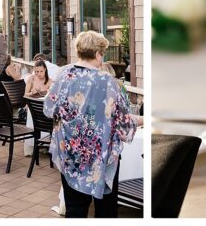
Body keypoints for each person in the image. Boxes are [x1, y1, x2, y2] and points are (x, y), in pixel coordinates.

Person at [44, 31, 141, 218]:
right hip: (100, 157)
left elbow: (49, 108)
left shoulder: (63, 74)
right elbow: (122, 122)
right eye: (102, 53)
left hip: (70, 152)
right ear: (97, 54)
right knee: (106, 210)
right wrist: (143, 119)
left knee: (75, 210)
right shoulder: (107, 82)